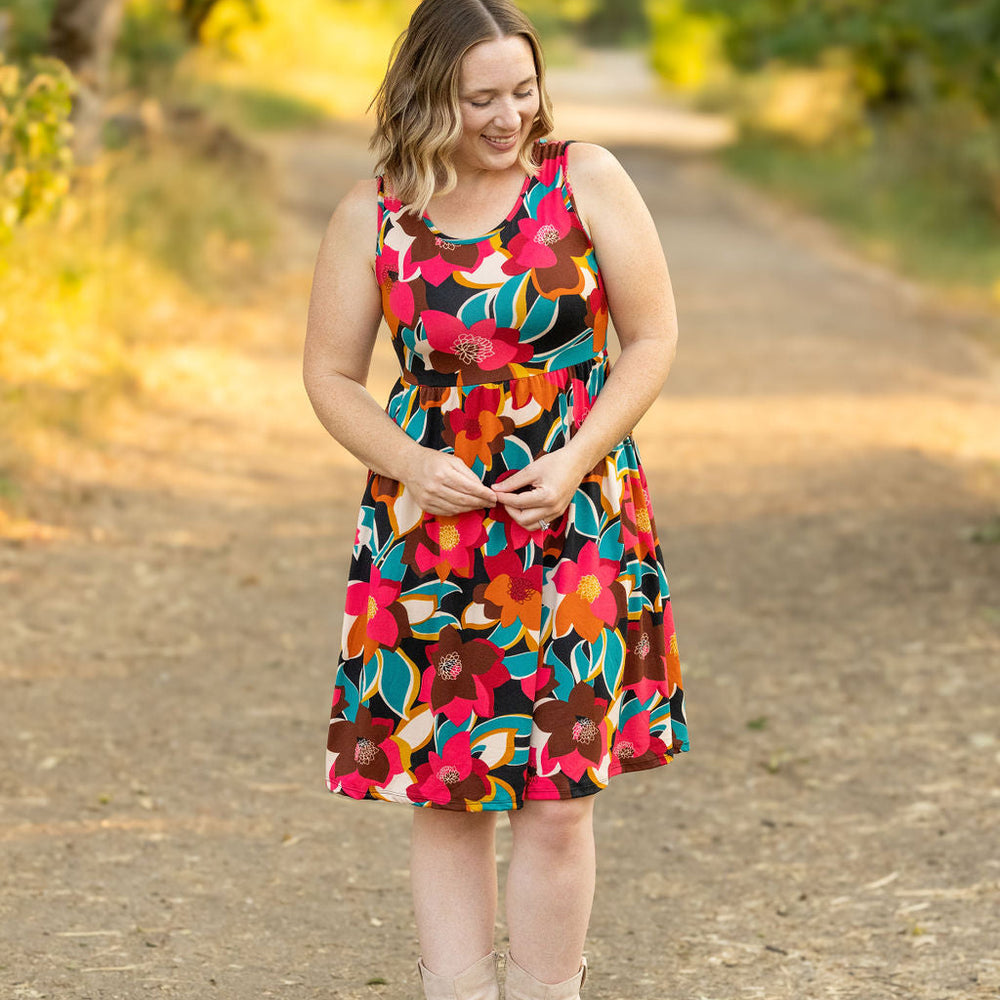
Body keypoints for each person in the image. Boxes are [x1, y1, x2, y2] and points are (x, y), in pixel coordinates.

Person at [302, 1, 689, 997]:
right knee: (446, 787)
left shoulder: (585, 178)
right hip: (429, 530)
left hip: (574, 514)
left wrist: (572, 460)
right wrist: (407, 461)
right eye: (481, 98)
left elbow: (648, 339)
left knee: (560, 794)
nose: (508, 114)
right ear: (431, 96)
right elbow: (332, 375)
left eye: (522, 89)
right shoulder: (374, 212)